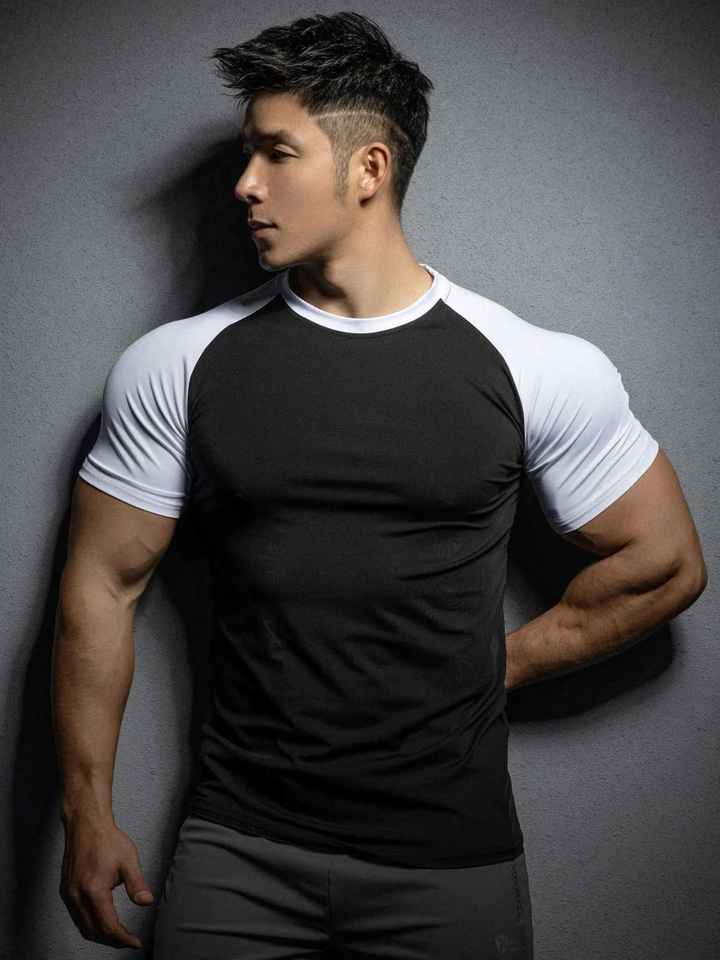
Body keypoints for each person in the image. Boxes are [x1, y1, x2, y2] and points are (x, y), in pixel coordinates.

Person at [52, 11, 707, 960]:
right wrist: (87, 812)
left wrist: (493, 667)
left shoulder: (533, 365)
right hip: (238, 847)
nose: (246, 184)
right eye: (246, 154)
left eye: (278, 153)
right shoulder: (177, 364)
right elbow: (100, 587)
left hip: (450, 859)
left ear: (369, 168)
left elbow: (666, 563)